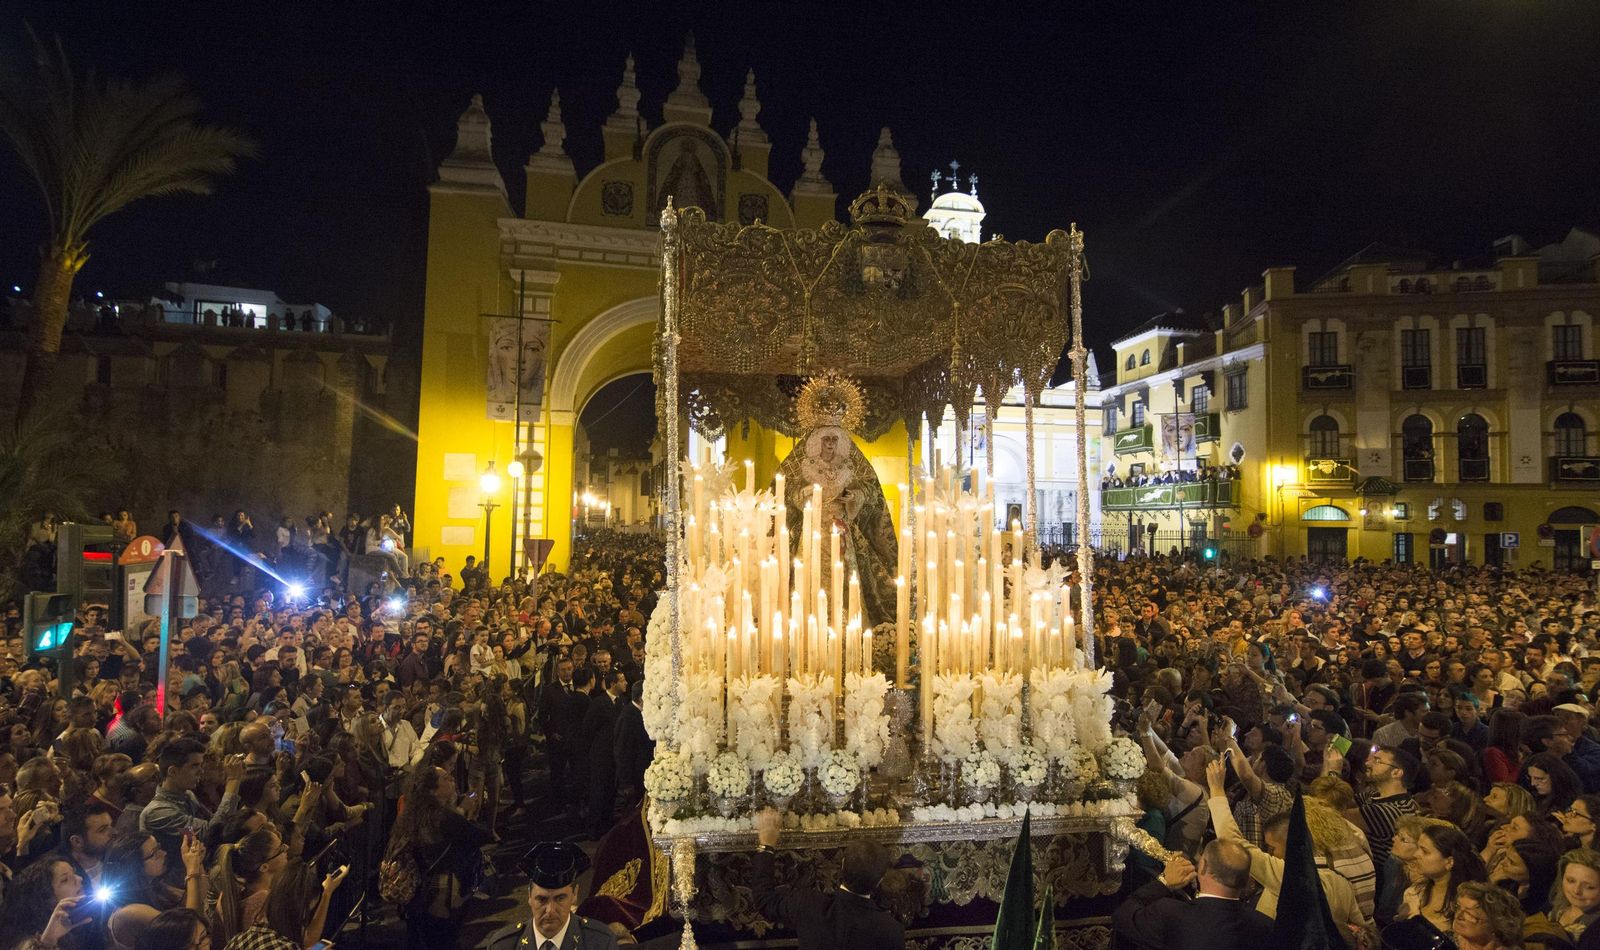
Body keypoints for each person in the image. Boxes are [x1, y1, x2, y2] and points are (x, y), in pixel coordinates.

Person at [746, 809, 903, 950]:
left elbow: (764, 900)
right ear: (880, 880)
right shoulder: (891, 930)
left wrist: (766, 844)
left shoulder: (809, 906)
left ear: (842, 865)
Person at [384, 766, 492, 949]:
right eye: (446, 778)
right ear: (433, 789)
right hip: (441, 892)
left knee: (419, 938)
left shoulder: (412, 814)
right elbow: (481, 835)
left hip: (415, 891)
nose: (452, 780)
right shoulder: (444, 816)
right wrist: (466, 811)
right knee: (443, 939)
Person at [1111, 838, 1274, 950]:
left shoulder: (1169, 915)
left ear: (1203, 867)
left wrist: (1164, 882)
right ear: (1247, 880)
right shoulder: (1266, 927)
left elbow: (1123, 917)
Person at [483, 842, 620, 950]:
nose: (550, 910)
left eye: (560, 898)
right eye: (542, 899)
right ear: (529, 897)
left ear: (574, 895)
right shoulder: (503, 945)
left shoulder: (600, 943)